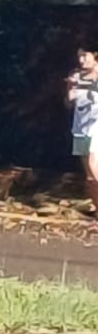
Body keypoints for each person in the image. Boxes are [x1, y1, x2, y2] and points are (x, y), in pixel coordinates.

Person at [67, 48, 98, 217]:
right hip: (80, 128)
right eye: (79, 56)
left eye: (84, 56)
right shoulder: (75, 75)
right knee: (89, 175)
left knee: (94, 165)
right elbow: (69, 102)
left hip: (96, 125)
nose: (81, 60)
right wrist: (70, 87)